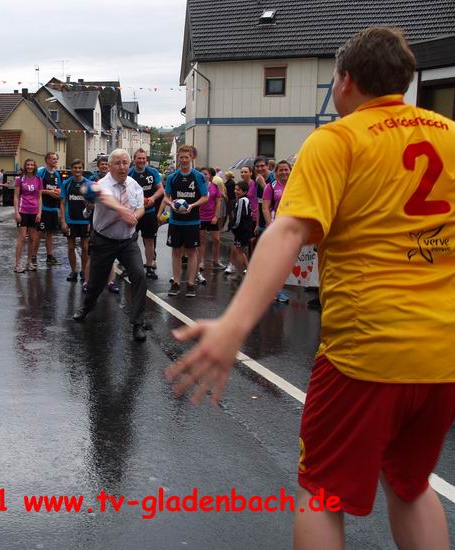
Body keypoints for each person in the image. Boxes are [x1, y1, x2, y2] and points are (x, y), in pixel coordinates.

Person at [167, 27, 455, 550]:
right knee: (412, 487)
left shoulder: (339, 139)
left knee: (321, 494)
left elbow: (288, 230)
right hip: (443, 355)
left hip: (365, 352)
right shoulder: (450, 135)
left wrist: (234, 324)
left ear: (345, 80)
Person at [72, 149, 148, 343]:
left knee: (139, 275)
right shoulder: (101, 185)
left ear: (129, 165)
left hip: (127, 240)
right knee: (96, 283)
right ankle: (86, 307)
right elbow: (106, 199)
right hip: (104, 240)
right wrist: (123, 211)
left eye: (125, 163)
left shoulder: (134, 185)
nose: (122, 167)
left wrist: (135, 216)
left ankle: (138, 323)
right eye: (117, 163)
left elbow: (140, 207)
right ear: (110, 166)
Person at [162, 145, 208, 297]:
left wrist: (192, 206)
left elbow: (205, 197)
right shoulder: (172, 177)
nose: (183, 160)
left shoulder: (198, 177)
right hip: (175, 221)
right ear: (178, 157)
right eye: (181, 157)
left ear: (191, 158)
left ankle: (190, 284)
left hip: (192, 221)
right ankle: (175, 283)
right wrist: (171, 205)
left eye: (186, 157)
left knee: (192, 253)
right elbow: (166, 197)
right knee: (176, 252)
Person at [128, 148, 164, 280]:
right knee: (130, 241)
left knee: (149, 240)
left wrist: (153, 198)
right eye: (139, 158)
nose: (142, 160)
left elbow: (161, 189)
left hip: (149, 212)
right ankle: (129, 267)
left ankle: (150, 266)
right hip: (134, 213)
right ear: (134, 159)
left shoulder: (152, 172)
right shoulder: (129, 173)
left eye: (144, 158)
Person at [262, 159, 291, 303]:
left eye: (286, 169)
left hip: (292, 226)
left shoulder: (296, 185)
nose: (284, 172)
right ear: (276, 172)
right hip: (277, 225)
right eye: (281, 170)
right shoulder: (271, 186)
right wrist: (270, 225)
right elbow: (265, 208)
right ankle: (275, 290)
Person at [92, 154, 119, 293]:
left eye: (105, 164)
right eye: (101, 164)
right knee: (95, 256)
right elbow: (90, 200)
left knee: (111, 256)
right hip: (97, 222)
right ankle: (91, 283)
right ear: (98, 166)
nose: (103, 166)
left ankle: (110, 282)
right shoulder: (94, 180)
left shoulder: (116, 180)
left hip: (112, 223)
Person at [60, 159, 91, 282]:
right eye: (75, 168)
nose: (77, 170)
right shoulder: (66, 183)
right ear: (71, 169)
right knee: (71, 247)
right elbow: (62, 204)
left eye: (79, 167)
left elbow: (93, 204)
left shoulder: (89, 184)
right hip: (71, 220)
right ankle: (73, 271)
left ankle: (84, 271)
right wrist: (63, 221)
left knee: (85, 247)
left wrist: (91, 222)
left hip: (85, 221)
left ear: (82, 169)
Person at [13, 158, 42, 273]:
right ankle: (17, 264)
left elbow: (39, 197)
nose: (30, 166)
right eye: (28, 165)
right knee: (22, 237)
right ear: (25, 166)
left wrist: (39, 212)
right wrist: (16, 212)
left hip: (34, 211)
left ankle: (29, 262)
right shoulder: (20, 179)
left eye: (32, 165)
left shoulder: (38, 180)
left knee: (32, 238)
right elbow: (16, 196)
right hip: (23, 210)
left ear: (34, 167)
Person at [36, 152, 62, 266]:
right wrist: (49, 192)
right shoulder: (41, 172)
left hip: (53, 208)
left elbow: (59, 189)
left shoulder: (57, 174)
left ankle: (50, 256)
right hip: (43, 207)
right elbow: (36, 189)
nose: (55, 161)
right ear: (47, 160)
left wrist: (58, 193)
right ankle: (33, 257)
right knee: (38, 233)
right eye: (53, 159)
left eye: (56, 159)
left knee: (50, 233)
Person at [198, 169, 225, 278]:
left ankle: (216, 260)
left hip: (212, 216)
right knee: (202, 240)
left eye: (206, 174)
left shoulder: (214, 186)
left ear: (209, 175)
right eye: (202, 174)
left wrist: (216, 216)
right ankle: (201, 261)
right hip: (200, 217)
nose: (204, 175)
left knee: (216, 239)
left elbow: (218, 202)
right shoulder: (197, 186)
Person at [225, 180, 253, 276]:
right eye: (235, 189)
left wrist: (233, 227)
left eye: (238, 190)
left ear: (245, 191)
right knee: (239, 250)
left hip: (242, 230)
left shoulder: (242, 200)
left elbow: (239, 217)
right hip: (244, 229)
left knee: (238, 251)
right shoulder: (244, 200)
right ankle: (247, 268)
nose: (236, 191)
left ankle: (242, 271)